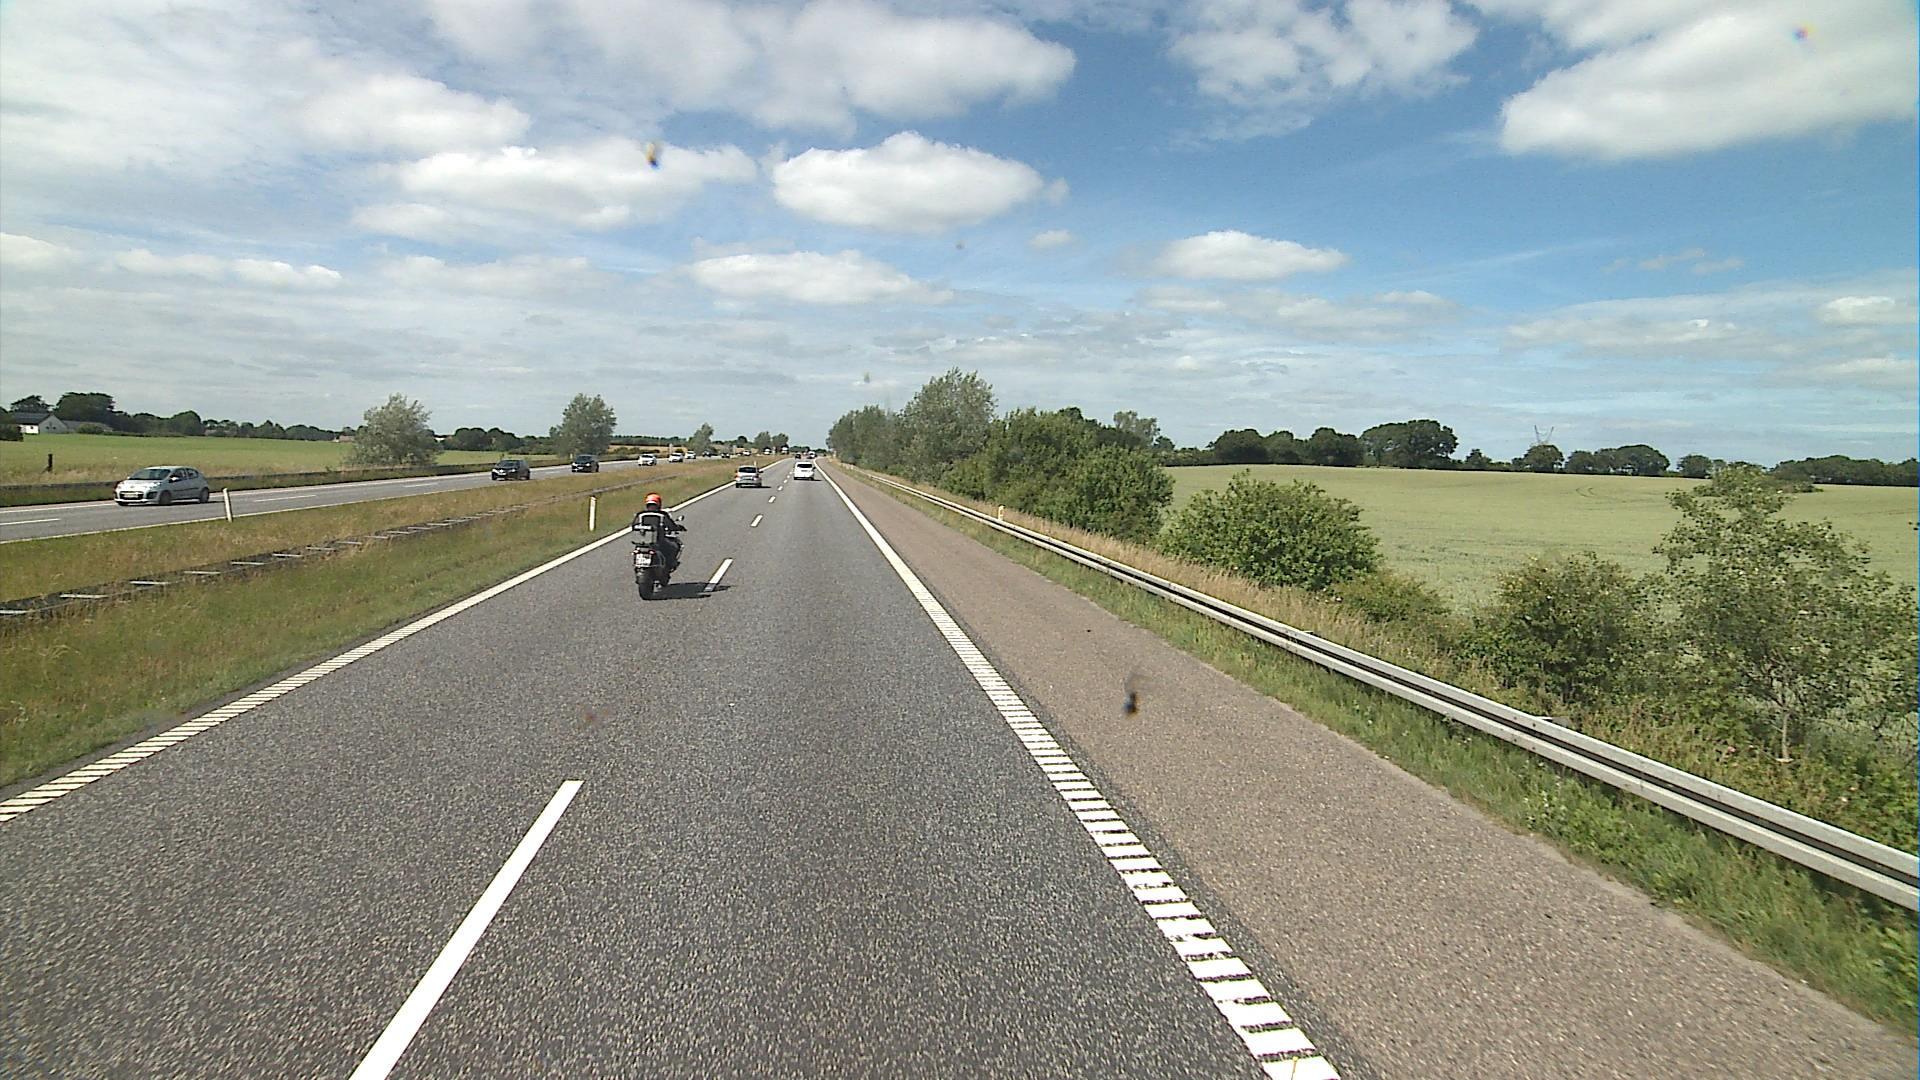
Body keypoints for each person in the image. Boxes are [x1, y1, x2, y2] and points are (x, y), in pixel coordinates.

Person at [638, 492, 684, 571]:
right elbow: (671, 525)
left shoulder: (641, 515)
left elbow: (634, 525)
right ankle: (669, 565)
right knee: (675, 547)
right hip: (659, 541)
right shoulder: (662, 515)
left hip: (643, 542)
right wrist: (678, 527)